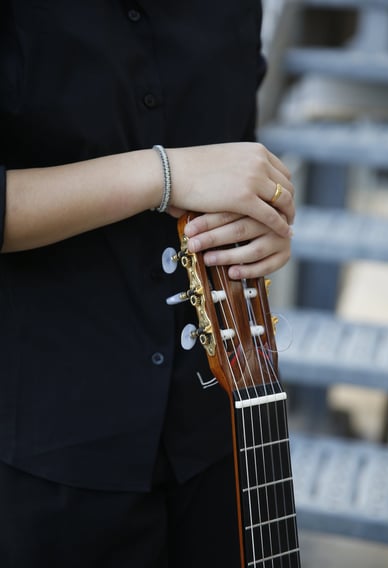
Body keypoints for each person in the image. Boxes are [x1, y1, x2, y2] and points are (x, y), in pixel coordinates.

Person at [0, 2, 294, 567]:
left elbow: (241, 156)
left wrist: (269, 220)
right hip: (53, 449)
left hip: (226, 422)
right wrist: (162, 175)